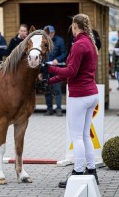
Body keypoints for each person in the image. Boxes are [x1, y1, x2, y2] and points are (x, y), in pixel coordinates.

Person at [40, 13, 100, 188]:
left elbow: (71, 72)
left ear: (75, 26)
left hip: (79, 96)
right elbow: (73, 71)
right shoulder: (89, 43)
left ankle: (77, 172)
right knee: (85, 136)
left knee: (77, 137)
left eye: (72, 26)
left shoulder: (79, 45)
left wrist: (50, 68)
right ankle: (92, 172)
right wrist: (50, 81)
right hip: (91, 94)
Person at [43, 25, 66, 116]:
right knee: (47, 90)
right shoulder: (42, 41)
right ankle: (49, 109)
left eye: (52, 32)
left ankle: (59, 108)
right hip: (45, 69)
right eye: (48, 32)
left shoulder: (60, 41)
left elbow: (64, 53)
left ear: (54, 32)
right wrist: (40, 72)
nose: (50, 34)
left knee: (57, 89)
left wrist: (58, 59)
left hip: (56, 69)